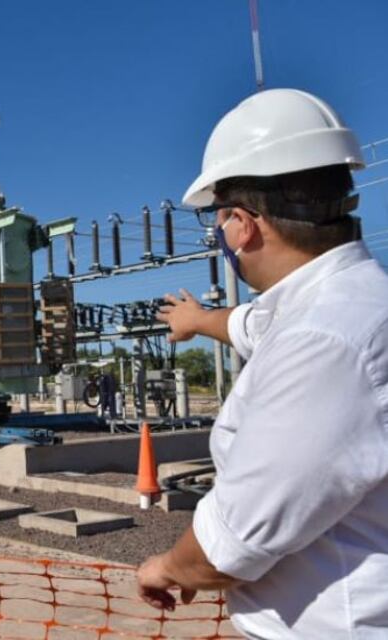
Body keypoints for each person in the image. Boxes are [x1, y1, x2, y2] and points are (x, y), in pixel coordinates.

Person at [136, 89, 388, 637]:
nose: (221, 237)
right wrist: (197, 319)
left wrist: (165, 567)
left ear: (244, 226)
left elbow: (232, 543)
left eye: (220, 223)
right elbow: (253, 326)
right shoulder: (348, 302)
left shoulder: (323, 341)